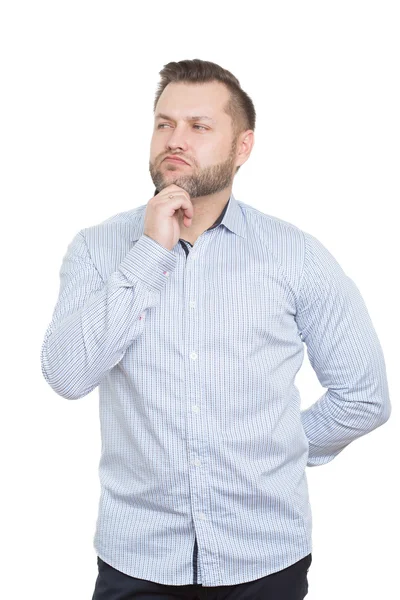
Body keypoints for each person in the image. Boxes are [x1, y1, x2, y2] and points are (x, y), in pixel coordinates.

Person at [40, 58, 391, 600]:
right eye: (164, 123)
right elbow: (66, 374)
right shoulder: (98, 248)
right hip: (138, 561)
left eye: (199, 127)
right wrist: (150, 252)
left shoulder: (295, 256)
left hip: (265, 558)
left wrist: (276, 451)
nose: (175, 139)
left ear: (242, 146)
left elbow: (363, 397)